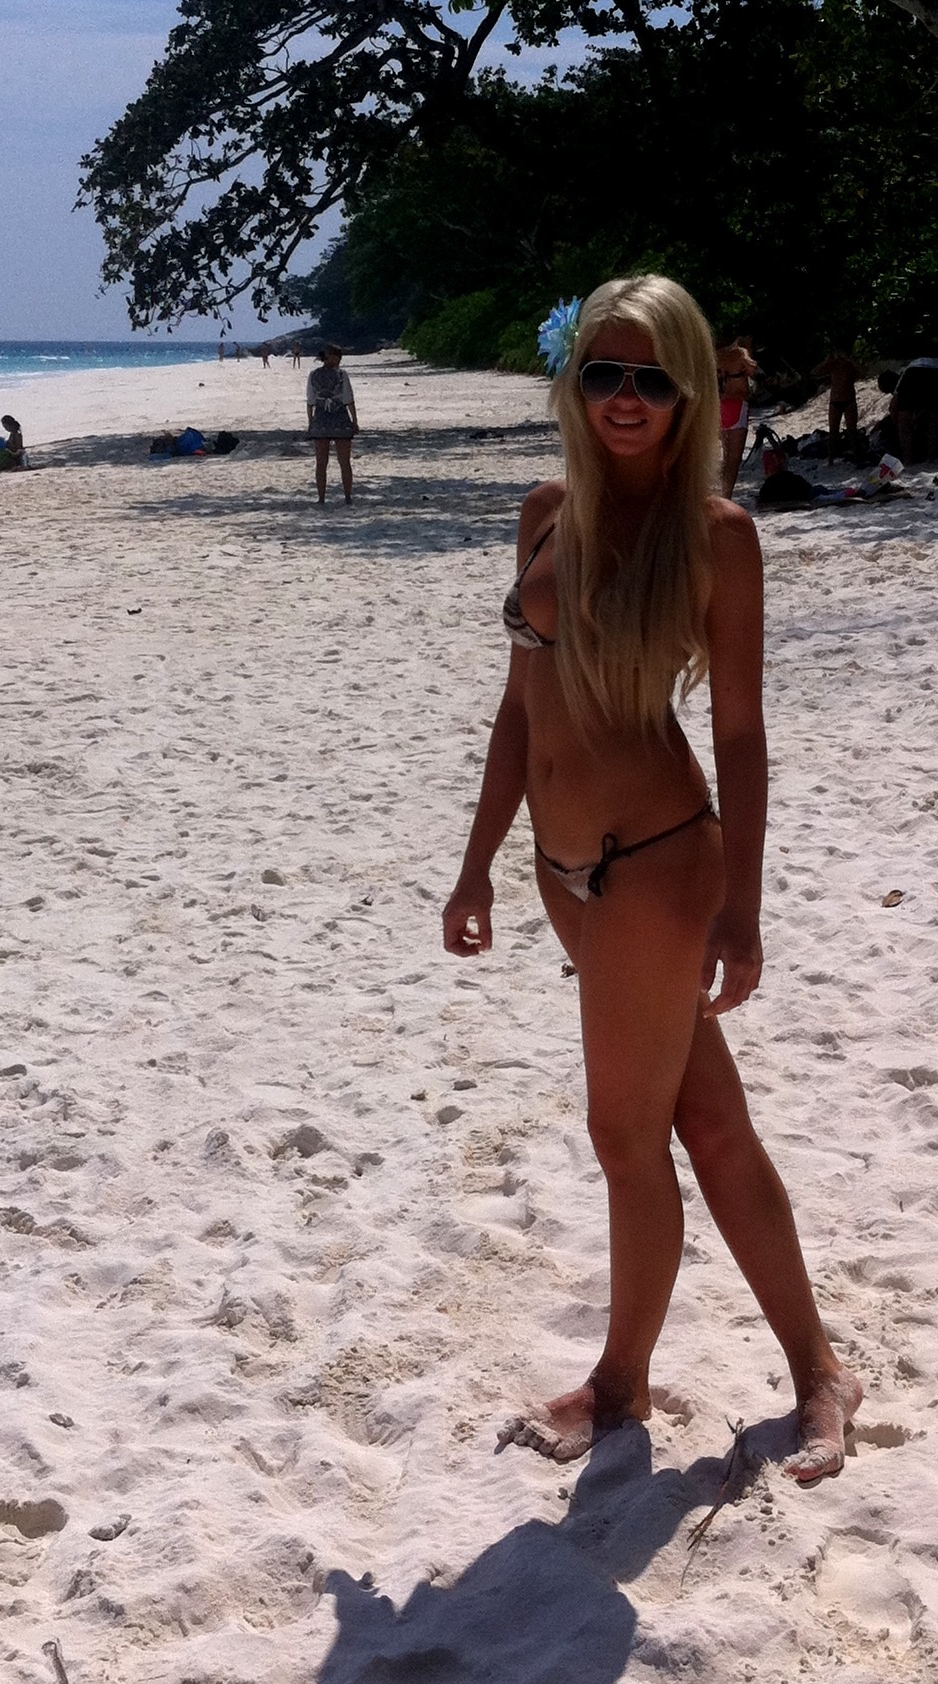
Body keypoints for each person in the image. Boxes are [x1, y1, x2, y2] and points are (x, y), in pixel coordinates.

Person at [442, 275, 862, 1482]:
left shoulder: (718, 537)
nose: (625, 399)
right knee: (708, 1120)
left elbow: (740, 733)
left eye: (652, 379)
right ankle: (819, 1370)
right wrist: (477, 865)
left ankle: (619, 1383)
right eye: (603, 374)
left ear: (691, 393)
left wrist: (745, 909)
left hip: (657, 868)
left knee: (626, 1134)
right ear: (574, 384)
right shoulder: (544, 515)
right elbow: (520, 714)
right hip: (561, 872)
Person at [306, 344, 359, 504]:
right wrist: (355, 421)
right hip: (340, 419)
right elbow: (348, 399)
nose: (339, 361)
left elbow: (310, 401)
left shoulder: (313, 375)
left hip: (320, 419)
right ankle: (347, 497)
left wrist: (310, 422)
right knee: (344, 462)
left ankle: (321, 498)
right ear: (332, 357)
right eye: (338, 357)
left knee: (321, 462)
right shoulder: (342, 375)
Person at [716, 339, 757, 496]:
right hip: (737, 405)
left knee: (724, 456)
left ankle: (720, 493)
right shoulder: (739, 353)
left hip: (718, 406)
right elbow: (752, 368)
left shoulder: (714, 356)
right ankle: (726, 495)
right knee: (733, 459)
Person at [811, 349, 860, 465]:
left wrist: (849, 359)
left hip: (849, 400)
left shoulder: (850, 365)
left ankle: (857, 456)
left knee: (852, 431)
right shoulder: (833, 365)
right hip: (835, 401)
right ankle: (830, 459)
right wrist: (826, 361)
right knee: (833, 432)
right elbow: (815, 373)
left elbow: (863, 371)